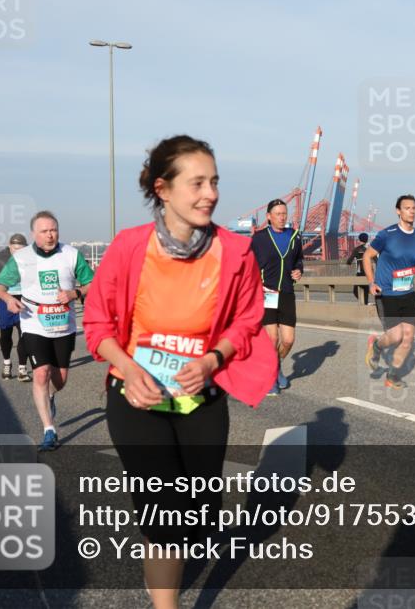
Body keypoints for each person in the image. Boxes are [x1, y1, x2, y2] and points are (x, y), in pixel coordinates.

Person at [83, 135, 276, 609]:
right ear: (163, 189)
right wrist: (126, 369)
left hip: (201, 400)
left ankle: (168, 561)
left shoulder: (235, 252)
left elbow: (248, 317)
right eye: (197, 183)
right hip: (138, 401)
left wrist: (213, 359)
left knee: (202, 515)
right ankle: (165, 602)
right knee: (163, 514)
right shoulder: (130, 247)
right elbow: (97, 324)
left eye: (214, 182)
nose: (209, 193)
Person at [0, 211, 94, 452]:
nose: (50, 235)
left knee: (60, 379)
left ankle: (50, 397)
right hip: (33, 320)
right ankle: (49, 430)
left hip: (63, 322)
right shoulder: (22, 257)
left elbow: (92, 283)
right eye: (45, 231)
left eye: (54, 230)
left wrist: (74, 293)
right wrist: (8, 299)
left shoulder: (71, 255)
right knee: (41, 373)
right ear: (34, 234)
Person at [363, 194, 415, 389]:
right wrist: (371, 282)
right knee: (395, 336)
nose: (411, 211)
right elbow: (367, 256)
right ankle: (376, 345)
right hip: (387, 293)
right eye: (407, 208)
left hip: (408, 293)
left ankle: (392, 376)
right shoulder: (387, 235)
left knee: (408, 339)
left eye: (414, 208)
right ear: (398, 211)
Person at [250, 199, 303, 395]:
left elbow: (298, 260)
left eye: (284, 213)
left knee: (288, 340)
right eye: (278, 214)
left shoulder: (295, 236)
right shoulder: (259, 238)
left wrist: (298, 270)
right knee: (271, 339)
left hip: (287, 293)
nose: (282, 217)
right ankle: (271, 376)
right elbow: (249, 265)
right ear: (269, 217)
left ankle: (275, 364)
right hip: (266, 293)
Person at [0, 234, 32, 381]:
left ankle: (22, 368)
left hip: (24, 299)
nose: (18, 252)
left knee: (24, 334)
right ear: (9, 246)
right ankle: (7, 363)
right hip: (5, 298)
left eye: (21, 249)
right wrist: (4, 279)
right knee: (5, 334)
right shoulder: (0, 257)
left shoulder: (31, 257)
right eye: (15, 249)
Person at [347, 232, 372, 304]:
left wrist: (349, 262)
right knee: (366, 289)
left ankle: (365, 303)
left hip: (360, 272)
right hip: (370, 272)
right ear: (367, 239)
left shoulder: (357, 249)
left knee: (355, 291)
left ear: (359, 239)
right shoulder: (370, 249)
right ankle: (366, 303)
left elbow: (349, 261)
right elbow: (376, 260)